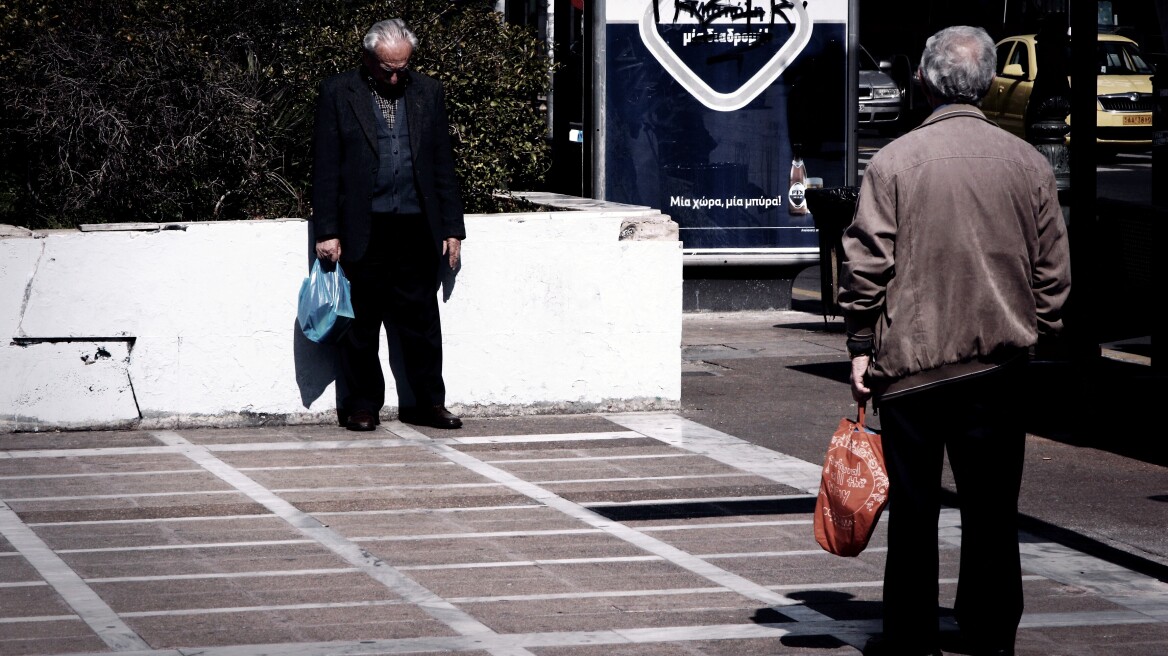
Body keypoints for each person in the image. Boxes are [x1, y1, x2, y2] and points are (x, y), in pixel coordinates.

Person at [838, 26, 1071, 656]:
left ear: (923, 81)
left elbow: (865, 266)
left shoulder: (893, 162)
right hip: (999, 365)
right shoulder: (1029, 164)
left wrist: (862, 343)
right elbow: (1053, 271)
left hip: (913, 369)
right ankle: (990, 634)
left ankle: (911, 636)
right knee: (992, 511)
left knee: (914, 514)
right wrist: (1036, 330)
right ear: (991, 83)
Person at [311, 18, 466, 431]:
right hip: (364, 227)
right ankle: (361, 406)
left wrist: (453, 227)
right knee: (360, 326)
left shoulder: (427, 92)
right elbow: (325, 166)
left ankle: (428, 403)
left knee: (421, 324)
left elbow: (442, 164)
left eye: (402, 68)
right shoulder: (338, 92)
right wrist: (327, 230)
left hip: (417, 226)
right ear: (368, 59)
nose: (396, 76)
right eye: (387, 69)